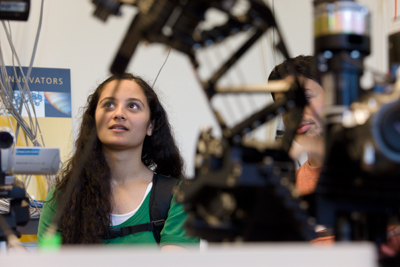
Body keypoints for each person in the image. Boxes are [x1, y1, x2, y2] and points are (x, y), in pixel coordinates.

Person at [37, 73, 199, 249]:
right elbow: (47, 259)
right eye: (109, 104)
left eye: (133, 106)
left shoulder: (180, 196)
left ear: (150, 125)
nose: (119, 113)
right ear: (95, 120)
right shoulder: (62, 197)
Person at [268, 55, 325, 196]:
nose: (295, 114)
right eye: (285, 105)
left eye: (305, 98)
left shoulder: (370, 173)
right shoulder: (289, 188)